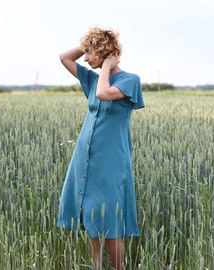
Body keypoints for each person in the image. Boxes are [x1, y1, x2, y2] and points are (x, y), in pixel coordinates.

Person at [57, 26, 144, 270]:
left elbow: (104, 94)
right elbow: (64, 57)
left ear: (105, 53)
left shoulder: (129, 81)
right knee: (92, 221)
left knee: (112, 225)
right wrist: (89, 43)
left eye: (90, 53)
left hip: (111, 162)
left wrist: (106, 64)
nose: (85, 58)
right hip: (85, 159)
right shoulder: (93, 80)